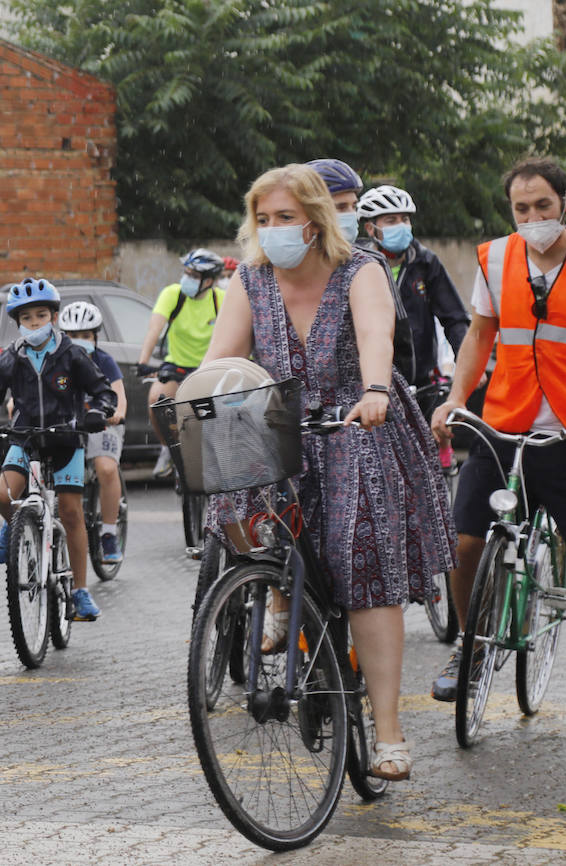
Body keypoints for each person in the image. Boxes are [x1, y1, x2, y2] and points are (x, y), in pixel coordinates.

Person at [203, 163, 456, 781]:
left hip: (355, 422)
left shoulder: (360, 269)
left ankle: (390, 730)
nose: (272, 231)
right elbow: (221, 357)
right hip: (275, 423)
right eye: (263, 220)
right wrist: (189, 393)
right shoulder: (252, 279)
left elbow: (377, 334)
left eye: (284, 218)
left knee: (366, 565)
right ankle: (279, 592)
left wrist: (373, 390)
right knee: (232, 508)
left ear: (315, 222)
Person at [428, 157, 566, 737]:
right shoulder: (495, 257)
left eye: (543, 207)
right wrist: (457, 398)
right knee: (463, 543)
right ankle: (470, 649)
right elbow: (480, 334)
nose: (532, 218)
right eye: (521, 209)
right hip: (507, 428)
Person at [0, 278, 115, 621]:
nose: (34, 324)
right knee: (4, 498)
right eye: (27, 319)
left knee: (70, 512)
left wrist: (98, 412)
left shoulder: (72, 354)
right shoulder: (12, 356)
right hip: (25, 438)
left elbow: (103, 391)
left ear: (54, 315)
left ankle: (80, 591)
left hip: (66, 441)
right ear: (18, 323)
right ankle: (14, 526)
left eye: (41, 316)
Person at [355, 185, 470, 420]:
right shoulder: (358, 265)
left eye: (405, 219)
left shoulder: (426, 262)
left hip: (422, 385)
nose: (401, 226)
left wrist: (469, 365)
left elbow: (454, 318)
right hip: (370, 385)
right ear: (371, 228)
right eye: (391, 220)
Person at [307, 158, 417, 384]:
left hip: (365, 405)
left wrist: (387, 392)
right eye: (340, 207)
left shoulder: (369, 264)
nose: (350, 215)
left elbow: (397, 340)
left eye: (352, 206)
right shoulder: (269, 272)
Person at [137, 248, 227, 477]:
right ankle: (168, 449)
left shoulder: (221, 300)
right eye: (186, 273)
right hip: (176, 366)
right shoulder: (172, 294)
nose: (187, 279)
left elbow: (232, 334)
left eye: (194, 276)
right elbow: (154, 329)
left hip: (209, 367)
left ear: (209, 281)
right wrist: (143, 361)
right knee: (156, 400)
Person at [59, 300, 128, 564]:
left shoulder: (104, 361)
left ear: (95, 336)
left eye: (85, 336)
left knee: (106, 469)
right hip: (69, 425)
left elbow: (118, 394)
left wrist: (117, 412)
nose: (79, 341)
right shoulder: (58, 360)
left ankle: (109, 534)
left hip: (103, 423)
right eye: (72, 336)